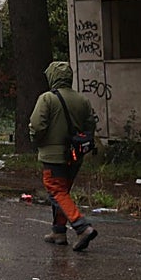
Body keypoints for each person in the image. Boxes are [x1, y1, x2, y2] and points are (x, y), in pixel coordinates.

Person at [29, 61, 98, 251]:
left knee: (56, 191)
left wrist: (36, 140)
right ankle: (58, 231)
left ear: (52, 77)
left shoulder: (47, 99)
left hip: (53, 155)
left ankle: (81, 227)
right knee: (62, 193)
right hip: (75, 155)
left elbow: (37, 126)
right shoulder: (82, 100)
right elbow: (90, 127)